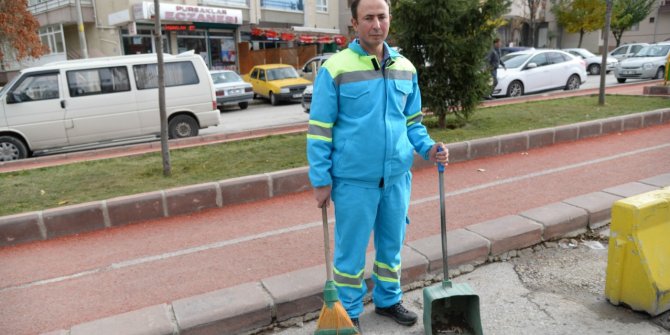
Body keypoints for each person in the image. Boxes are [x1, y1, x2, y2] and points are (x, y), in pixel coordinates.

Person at [306, 0, 448, 332]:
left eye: (381, 16)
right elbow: (319, 129)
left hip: (397, 177)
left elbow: (412, 122)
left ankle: (387, 300)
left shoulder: (406, 68)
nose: (376, 24)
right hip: (354, 180)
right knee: (350, 254)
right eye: (368, 17)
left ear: (389, 20)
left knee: (391, 246)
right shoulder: (335, 68)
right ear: (354, 23)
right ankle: (349, 310)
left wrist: (429, 148)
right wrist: (320, 179)